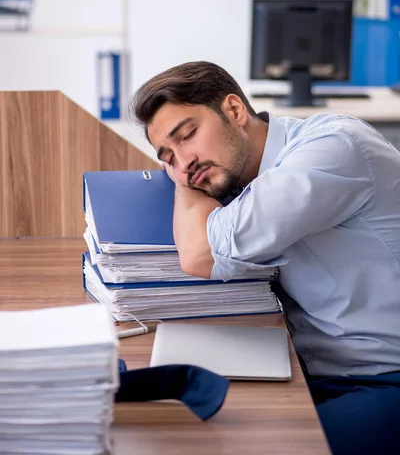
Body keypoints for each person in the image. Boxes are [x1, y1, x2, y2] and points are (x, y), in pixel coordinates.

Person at [130, 60, 400, 455]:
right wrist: (191, 166)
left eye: (187, 135)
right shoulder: (245, 175)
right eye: (167, 157)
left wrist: (187, 180)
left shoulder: (331, 149)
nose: (183, 163)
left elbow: (201, 253)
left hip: (384, 379)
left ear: (235, 110)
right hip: (321, 370)